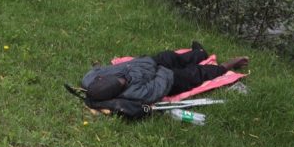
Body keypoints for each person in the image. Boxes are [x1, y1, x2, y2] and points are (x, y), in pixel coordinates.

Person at [82, 41, 248, 103]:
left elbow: (95, 70)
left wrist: (153, 63)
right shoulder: (136, 93)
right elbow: (159, 85)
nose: (123, 79)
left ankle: (199, 54)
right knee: (194, 73)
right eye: (122, 84)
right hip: (167, 79)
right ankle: (226, 66)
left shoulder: (91, 79)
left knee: (169, 55)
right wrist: (163, 70)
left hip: (149, 64)